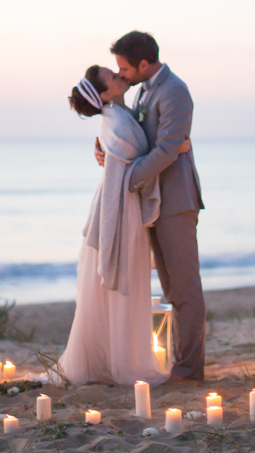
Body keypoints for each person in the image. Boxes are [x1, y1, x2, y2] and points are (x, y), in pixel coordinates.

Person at [59, 65, 179, 385]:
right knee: (122, 278)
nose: (119, 75)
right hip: (119, 208)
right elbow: (137, 155)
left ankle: (117, 357)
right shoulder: (115, 122)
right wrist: (177, 147)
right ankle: (117, 362)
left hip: (123, 205)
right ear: (104, 94)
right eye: (113, 76)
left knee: (127, 280)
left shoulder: (123, 114)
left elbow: (128, 157)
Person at [107, 31, 206, 381]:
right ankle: (182, 365)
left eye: (125, 70)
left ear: (144, 63)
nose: (122, 76)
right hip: (155, 200)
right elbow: (139, 137)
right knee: (170, 290)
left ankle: (189, 371)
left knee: (185, 291)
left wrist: (127, 177)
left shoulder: (176, 91)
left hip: (176, 200)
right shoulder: (144, 91)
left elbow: (166, 150)